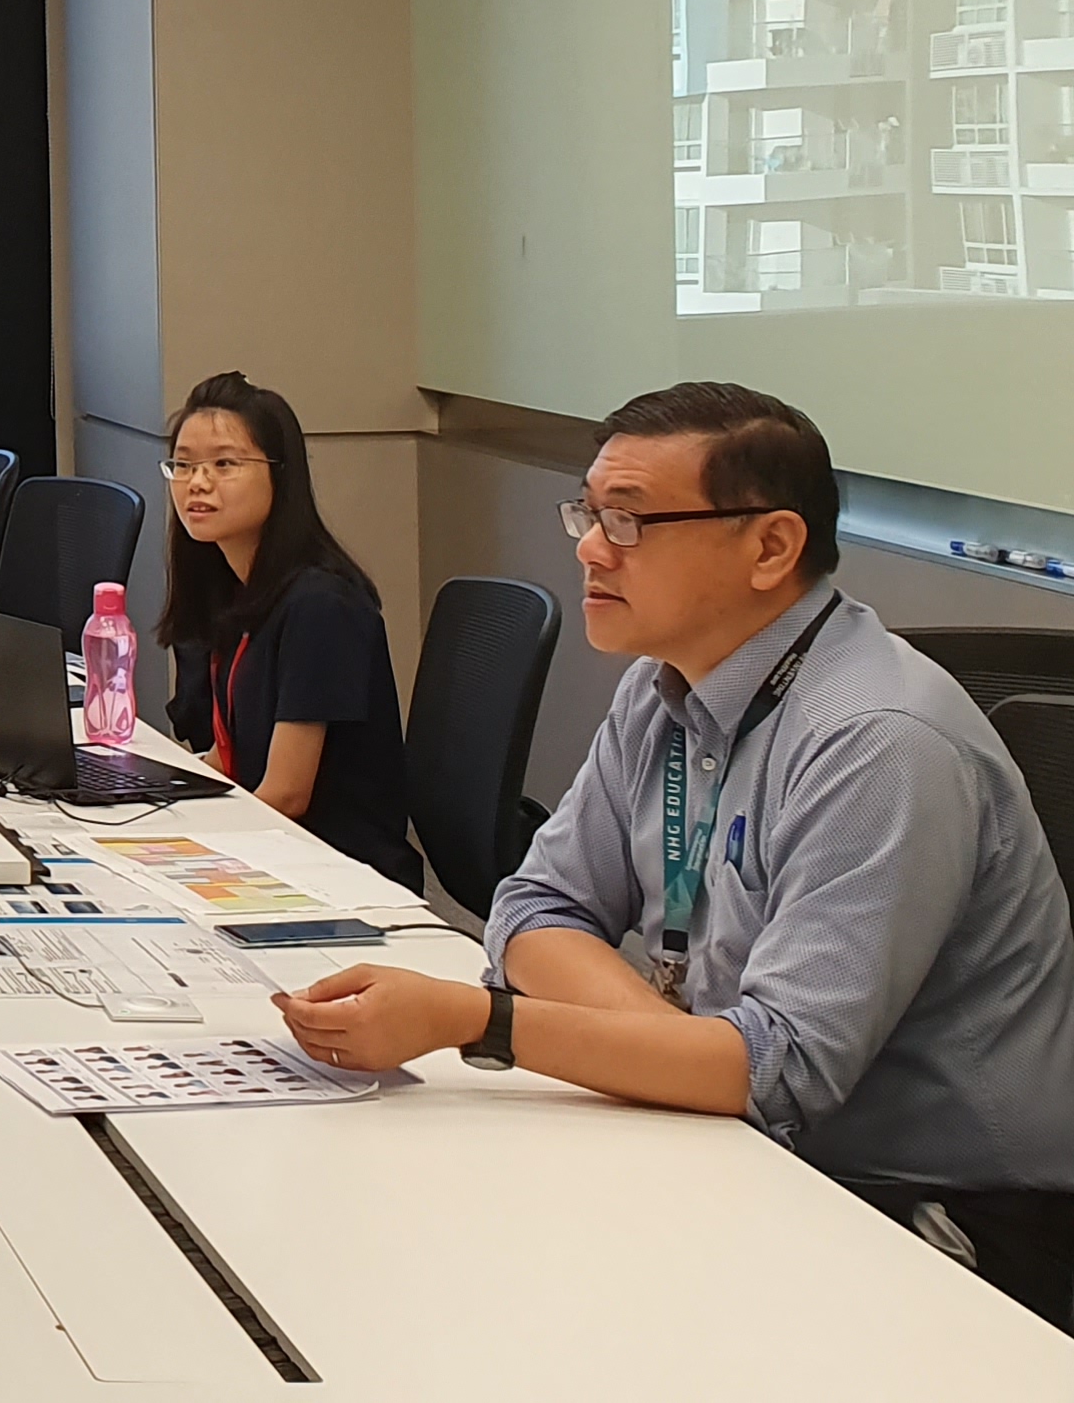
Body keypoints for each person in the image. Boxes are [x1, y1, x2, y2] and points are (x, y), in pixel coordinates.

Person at [272, 383, 1074, 1331]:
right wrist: (673, 1050)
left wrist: (479, 1021)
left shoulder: (878, 742)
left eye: (630, 520)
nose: (590, 548)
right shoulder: (666, 688)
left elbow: (777, 1073)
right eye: (588, 513)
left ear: (770, 547)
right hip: (739, 1146)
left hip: (938, 1224)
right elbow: (535, 907)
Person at [155, 372, 420, 891]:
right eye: (183, 465)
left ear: (280, 475)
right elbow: (228, 757)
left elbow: (286, 794)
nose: (197, 483)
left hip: (337, 873)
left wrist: (181, 850)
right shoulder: (234, 589)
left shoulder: (321, 604)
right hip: (270, 849)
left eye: (224, 464)